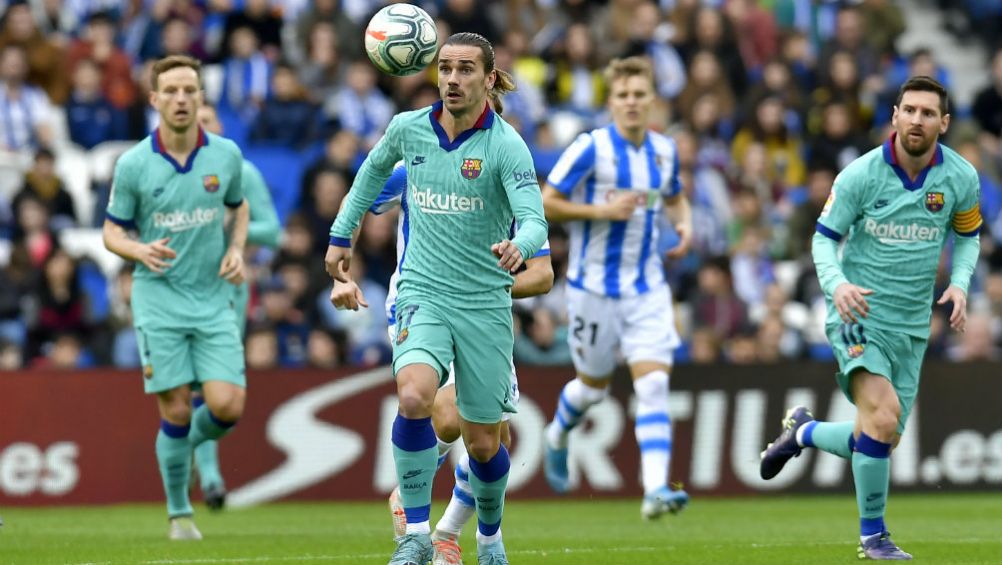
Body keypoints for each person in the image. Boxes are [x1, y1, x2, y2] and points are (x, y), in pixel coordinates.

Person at [325, 32, 548, 565]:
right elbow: (364, 183)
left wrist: (518, 246)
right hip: (421, 292)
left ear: (488, 79)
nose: (452, 79)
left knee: (485, 442)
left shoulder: (506, 147)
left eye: (465, 70)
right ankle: (419, 535)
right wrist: (338, 247)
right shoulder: (409, 135)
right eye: (444, 68)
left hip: (484, 303)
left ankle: (487, 537)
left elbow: (537, 227)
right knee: (415, 396)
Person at [760, 76, 981, 561]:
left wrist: (961, 282)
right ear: (895, 116)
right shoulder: (860, 175)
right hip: (858, 315)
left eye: (928, 113)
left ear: (943, 124)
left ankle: (803, 432)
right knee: (882, 419)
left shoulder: (961, 178)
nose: (917, 120)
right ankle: (873, 538)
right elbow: (822, 239)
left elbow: (967, 237)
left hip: (910, 326)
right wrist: (836, 284)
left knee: (882, 435)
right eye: (910, 110)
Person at [102, 55, 250, 540]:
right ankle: (179, 513)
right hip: (159, 299)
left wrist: (236, 248)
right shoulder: (134, 165)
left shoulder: (225, 154)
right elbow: (111, 232)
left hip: (212, 297)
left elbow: (239, 204)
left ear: (201, 97)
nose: (182, 99)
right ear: (155, 100)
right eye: (172, 91)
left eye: (190, 90)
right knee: (177, 411)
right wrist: (137, 248)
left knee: (227, 406)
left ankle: (181, 447)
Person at [539, 56, 693, 520]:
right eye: (622, 95)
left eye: (638, 95)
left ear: (651, 100)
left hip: (647, 289)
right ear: (611, 102)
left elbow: (675, 196)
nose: (631, 103)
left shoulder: (665, 151)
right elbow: (546, 202)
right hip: (591, 291)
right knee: (593, 390)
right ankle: (556, 437)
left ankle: (654, 491)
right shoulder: (591, 148)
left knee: (654, 385)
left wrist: (683, 226)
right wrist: (600, 213)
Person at [190, 102, 281, 511]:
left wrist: (229, 227)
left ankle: (202, 467)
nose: (199, 128)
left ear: (220, 127)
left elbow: (273, 230)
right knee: (189, 386)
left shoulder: (242, 173)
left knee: (215, 388)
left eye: (206, 120)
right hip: (178, 289)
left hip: (226, 290)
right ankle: (205, 473)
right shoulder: (169, 175)